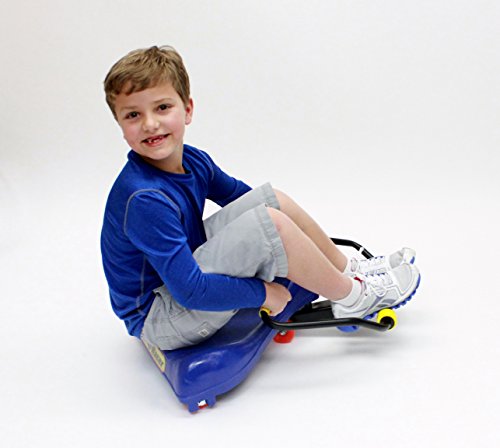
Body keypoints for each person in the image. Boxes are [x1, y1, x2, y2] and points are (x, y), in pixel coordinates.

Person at [100, 46, 420, 350]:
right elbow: (191, 291)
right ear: (120, 125)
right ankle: (353, 298)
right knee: (271, 224)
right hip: (160, 316)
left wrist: (273, 237)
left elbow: (248, 199)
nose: (150, 124)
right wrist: (264, 293)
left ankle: (347, 270)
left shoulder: (193, 160)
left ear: (187, 110)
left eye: (162, 108)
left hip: (180, 277)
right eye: (133, 115)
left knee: (272, 201)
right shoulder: (144, 199)